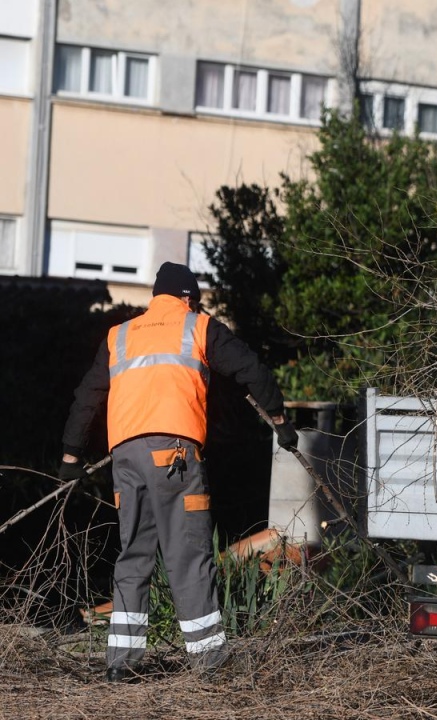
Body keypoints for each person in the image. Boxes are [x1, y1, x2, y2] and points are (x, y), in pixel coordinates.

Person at [59, 262, 298, 682]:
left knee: (134, 556)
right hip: (174, 455)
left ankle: (120, 666)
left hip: (127, 459)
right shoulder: (198, 326)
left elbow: (87, 396)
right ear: (187, 296)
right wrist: (279, 420)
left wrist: (70, 458)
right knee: (188, 557)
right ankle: (210, 665)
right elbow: (250, 369)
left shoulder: (120, 335)